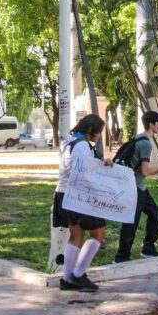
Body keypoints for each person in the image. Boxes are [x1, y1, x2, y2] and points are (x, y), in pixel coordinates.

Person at [54, 114, 112, 292]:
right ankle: (78, 276)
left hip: (64, 194)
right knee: (98, 233)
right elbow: (84, 172)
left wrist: (101, 163)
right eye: (98, 132)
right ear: (90, 130)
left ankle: (67, 279)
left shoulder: (70, 142)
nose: (99, 136)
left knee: (76, 235)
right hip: (78, 196)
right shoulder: (81, 146)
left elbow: (82, 166)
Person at [114, 111, 158, 263]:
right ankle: (122, 256)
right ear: (151, 125)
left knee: (155, 214)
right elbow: (145, 171)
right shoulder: (145, 143)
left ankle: (148, 248)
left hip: (139, 187)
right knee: (131, 221)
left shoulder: (138, 137)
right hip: (135, 188)